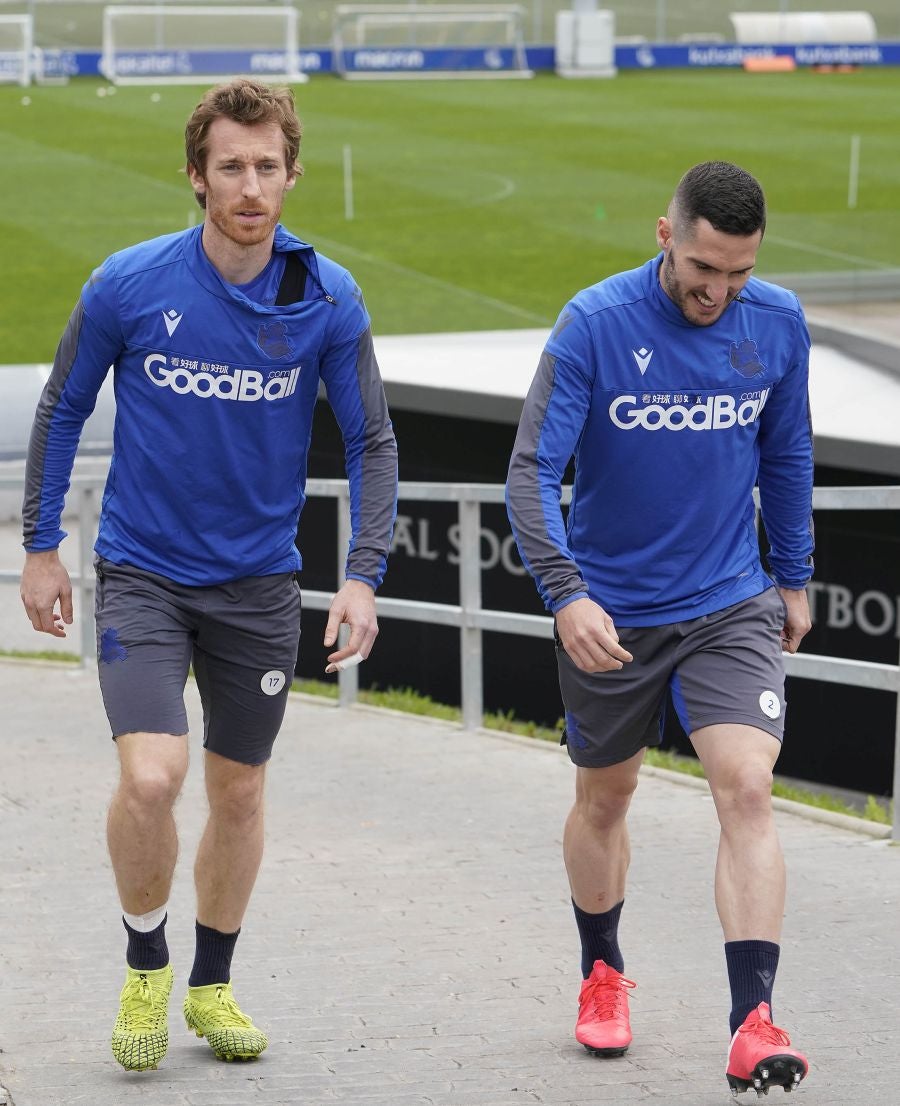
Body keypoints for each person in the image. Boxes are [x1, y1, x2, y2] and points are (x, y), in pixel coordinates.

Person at [19, 77, 398, 1072]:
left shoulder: (327, 294)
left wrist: (363, 572)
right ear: (197, 176)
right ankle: (148, 958)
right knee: (153, 774)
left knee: (238, 792)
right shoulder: (129, 285)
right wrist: (40, 544)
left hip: (260, 586)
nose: (251, 184)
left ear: (291, 174)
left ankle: (213, 981)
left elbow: (371, 437)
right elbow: (61, 406)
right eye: (231, 165)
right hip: (143, 571)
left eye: (267, 165)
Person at [506, 161, 812, 1097]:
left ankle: (752, 1023)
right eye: (703, 269)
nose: (718, 292)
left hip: (730, 602)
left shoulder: (778, 323)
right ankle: (601, 971)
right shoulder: (594, 325)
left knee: (747, 788)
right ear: (664, 236)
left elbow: (786, 450)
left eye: (739, 275)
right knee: (606, 796)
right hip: (614, 615)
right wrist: (567, 595)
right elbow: (530, 474)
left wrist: (795, 577)